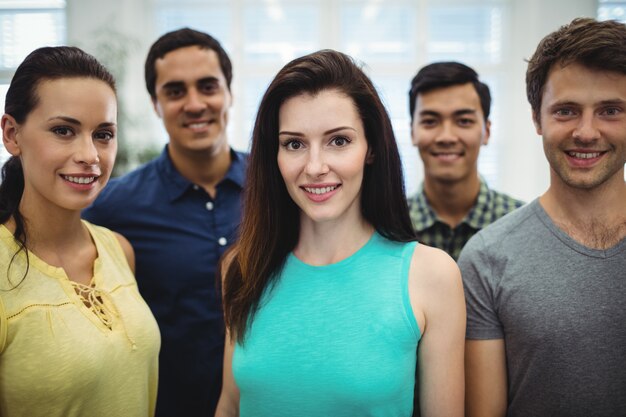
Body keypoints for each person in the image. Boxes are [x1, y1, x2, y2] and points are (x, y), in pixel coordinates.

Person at [215, 49, 465, 417]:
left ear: (372, 149)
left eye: (339, 141)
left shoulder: (431, 276)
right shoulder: (242, 266)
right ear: (275, 156)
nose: (315, 167)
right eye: (294, 144)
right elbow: (231, 404)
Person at [460, 17, 626, 417]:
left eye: (610, 110)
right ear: (537, 119)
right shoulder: (486, 259)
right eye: (566, 111)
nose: (586, 132)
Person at [83, 28, 246, 417]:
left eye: (208, 86)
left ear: (229, 93)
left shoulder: (279, 189)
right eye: (175, 91)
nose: (194, 104)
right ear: (156, 104)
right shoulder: (112, 207)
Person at [0, 46, 160, 417]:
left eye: (103, 134)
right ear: (12, 134)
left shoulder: (118, 249)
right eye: (63, 130)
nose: (90, 155)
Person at [407, 62, 524, 261]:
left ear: (486, 131)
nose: (446, 137)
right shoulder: (388, 228)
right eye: (430, 121)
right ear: (412, 132)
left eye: (464, 121)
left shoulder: (522, 226)